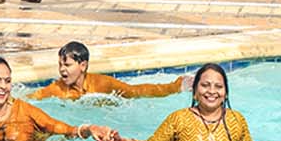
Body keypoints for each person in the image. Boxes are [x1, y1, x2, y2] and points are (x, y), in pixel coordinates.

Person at [103, 63, 254, 141]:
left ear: (225, 93)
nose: (212, 91)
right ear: (194, 91)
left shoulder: (236, 119)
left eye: (218, 87)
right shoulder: (178, 119)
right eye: (205, 85)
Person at [30, 41, 191, 101]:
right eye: (60, 65)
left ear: (83, 65)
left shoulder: (102, 84)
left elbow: (136, 91)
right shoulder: (56, 90)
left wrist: (175, 86)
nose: (62, 70)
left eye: (67, 65)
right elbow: (31, 98)